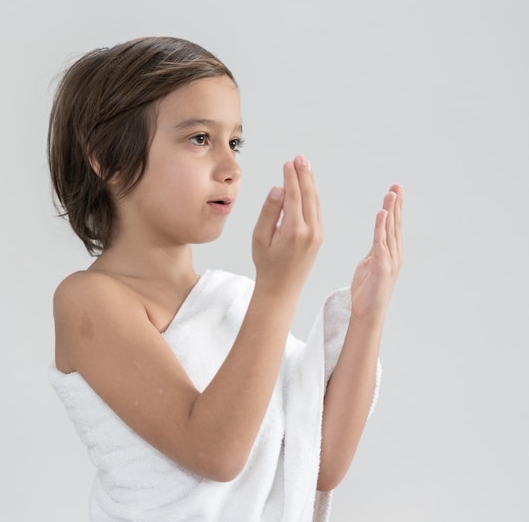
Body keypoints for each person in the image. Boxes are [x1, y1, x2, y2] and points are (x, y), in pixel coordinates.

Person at [47, 36, 403, 522]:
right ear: (108, 159)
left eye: (234, 142)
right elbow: (214, 452)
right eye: (199, 139)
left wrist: (367, 317)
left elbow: (317, 461)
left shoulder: (234, 302)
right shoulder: (89, 300)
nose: (231, 167)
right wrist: (279, 290)